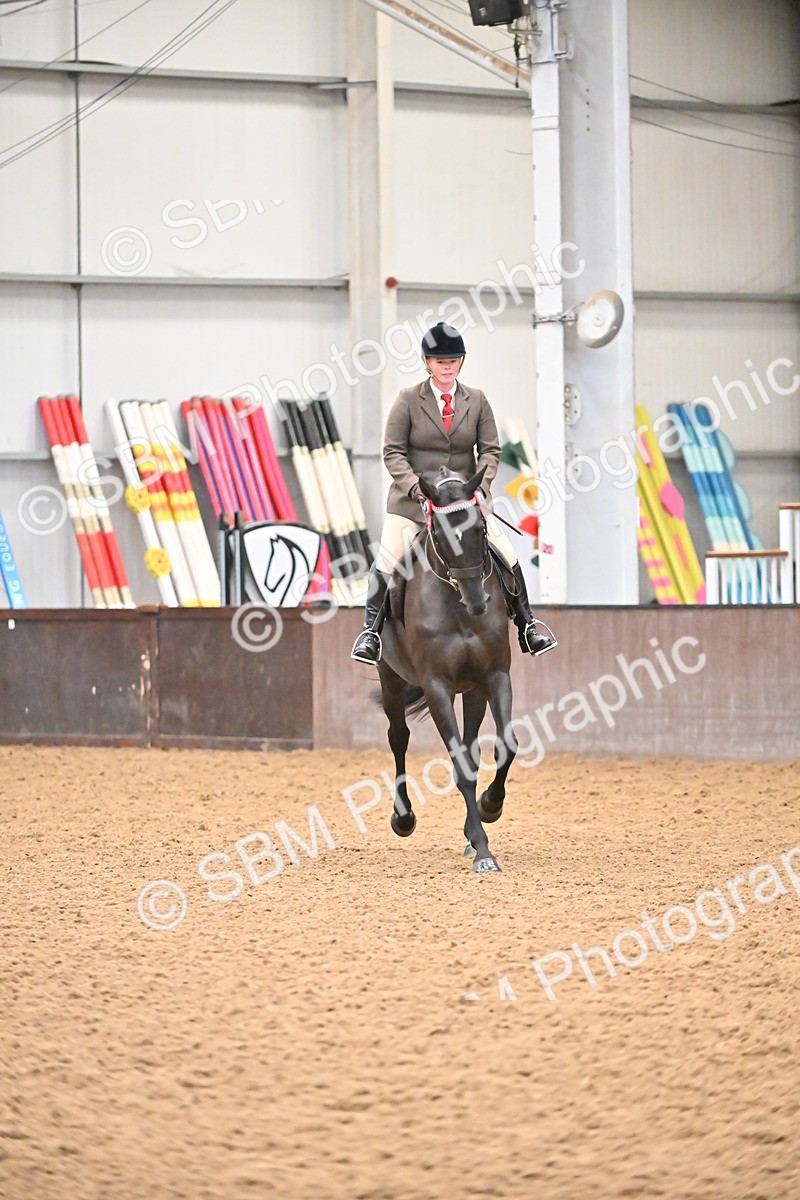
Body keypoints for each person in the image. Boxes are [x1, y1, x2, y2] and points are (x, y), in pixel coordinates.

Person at [351, 321, 558, 664]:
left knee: (507, 553)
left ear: (461, 362)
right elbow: (393, 452)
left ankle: (527, 625)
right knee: (388, 556)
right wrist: (416, 489)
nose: (447, 368)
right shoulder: (407, 400)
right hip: (414, 502)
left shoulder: (477, 400)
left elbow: (490, 451)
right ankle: (370, 633)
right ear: (427, 363)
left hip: (464, 505)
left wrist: (482, 488)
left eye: (453, 361)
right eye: (440, 362)